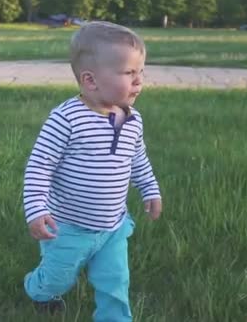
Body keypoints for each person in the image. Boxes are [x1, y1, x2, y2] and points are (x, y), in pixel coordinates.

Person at [22, 21, 163, 322]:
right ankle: (38, 290)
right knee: (59, 279)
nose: (139, 81)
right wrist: (35, 209)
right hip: (68, 227)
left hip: (113, 226)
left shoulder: (133, 119)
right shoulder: (67, 119)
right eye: (129, 73)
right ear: (90, 81)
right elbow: (40, 165)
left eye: (141, 72)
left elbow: (138, 158)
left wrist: (150, 189)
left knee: (115, 281)